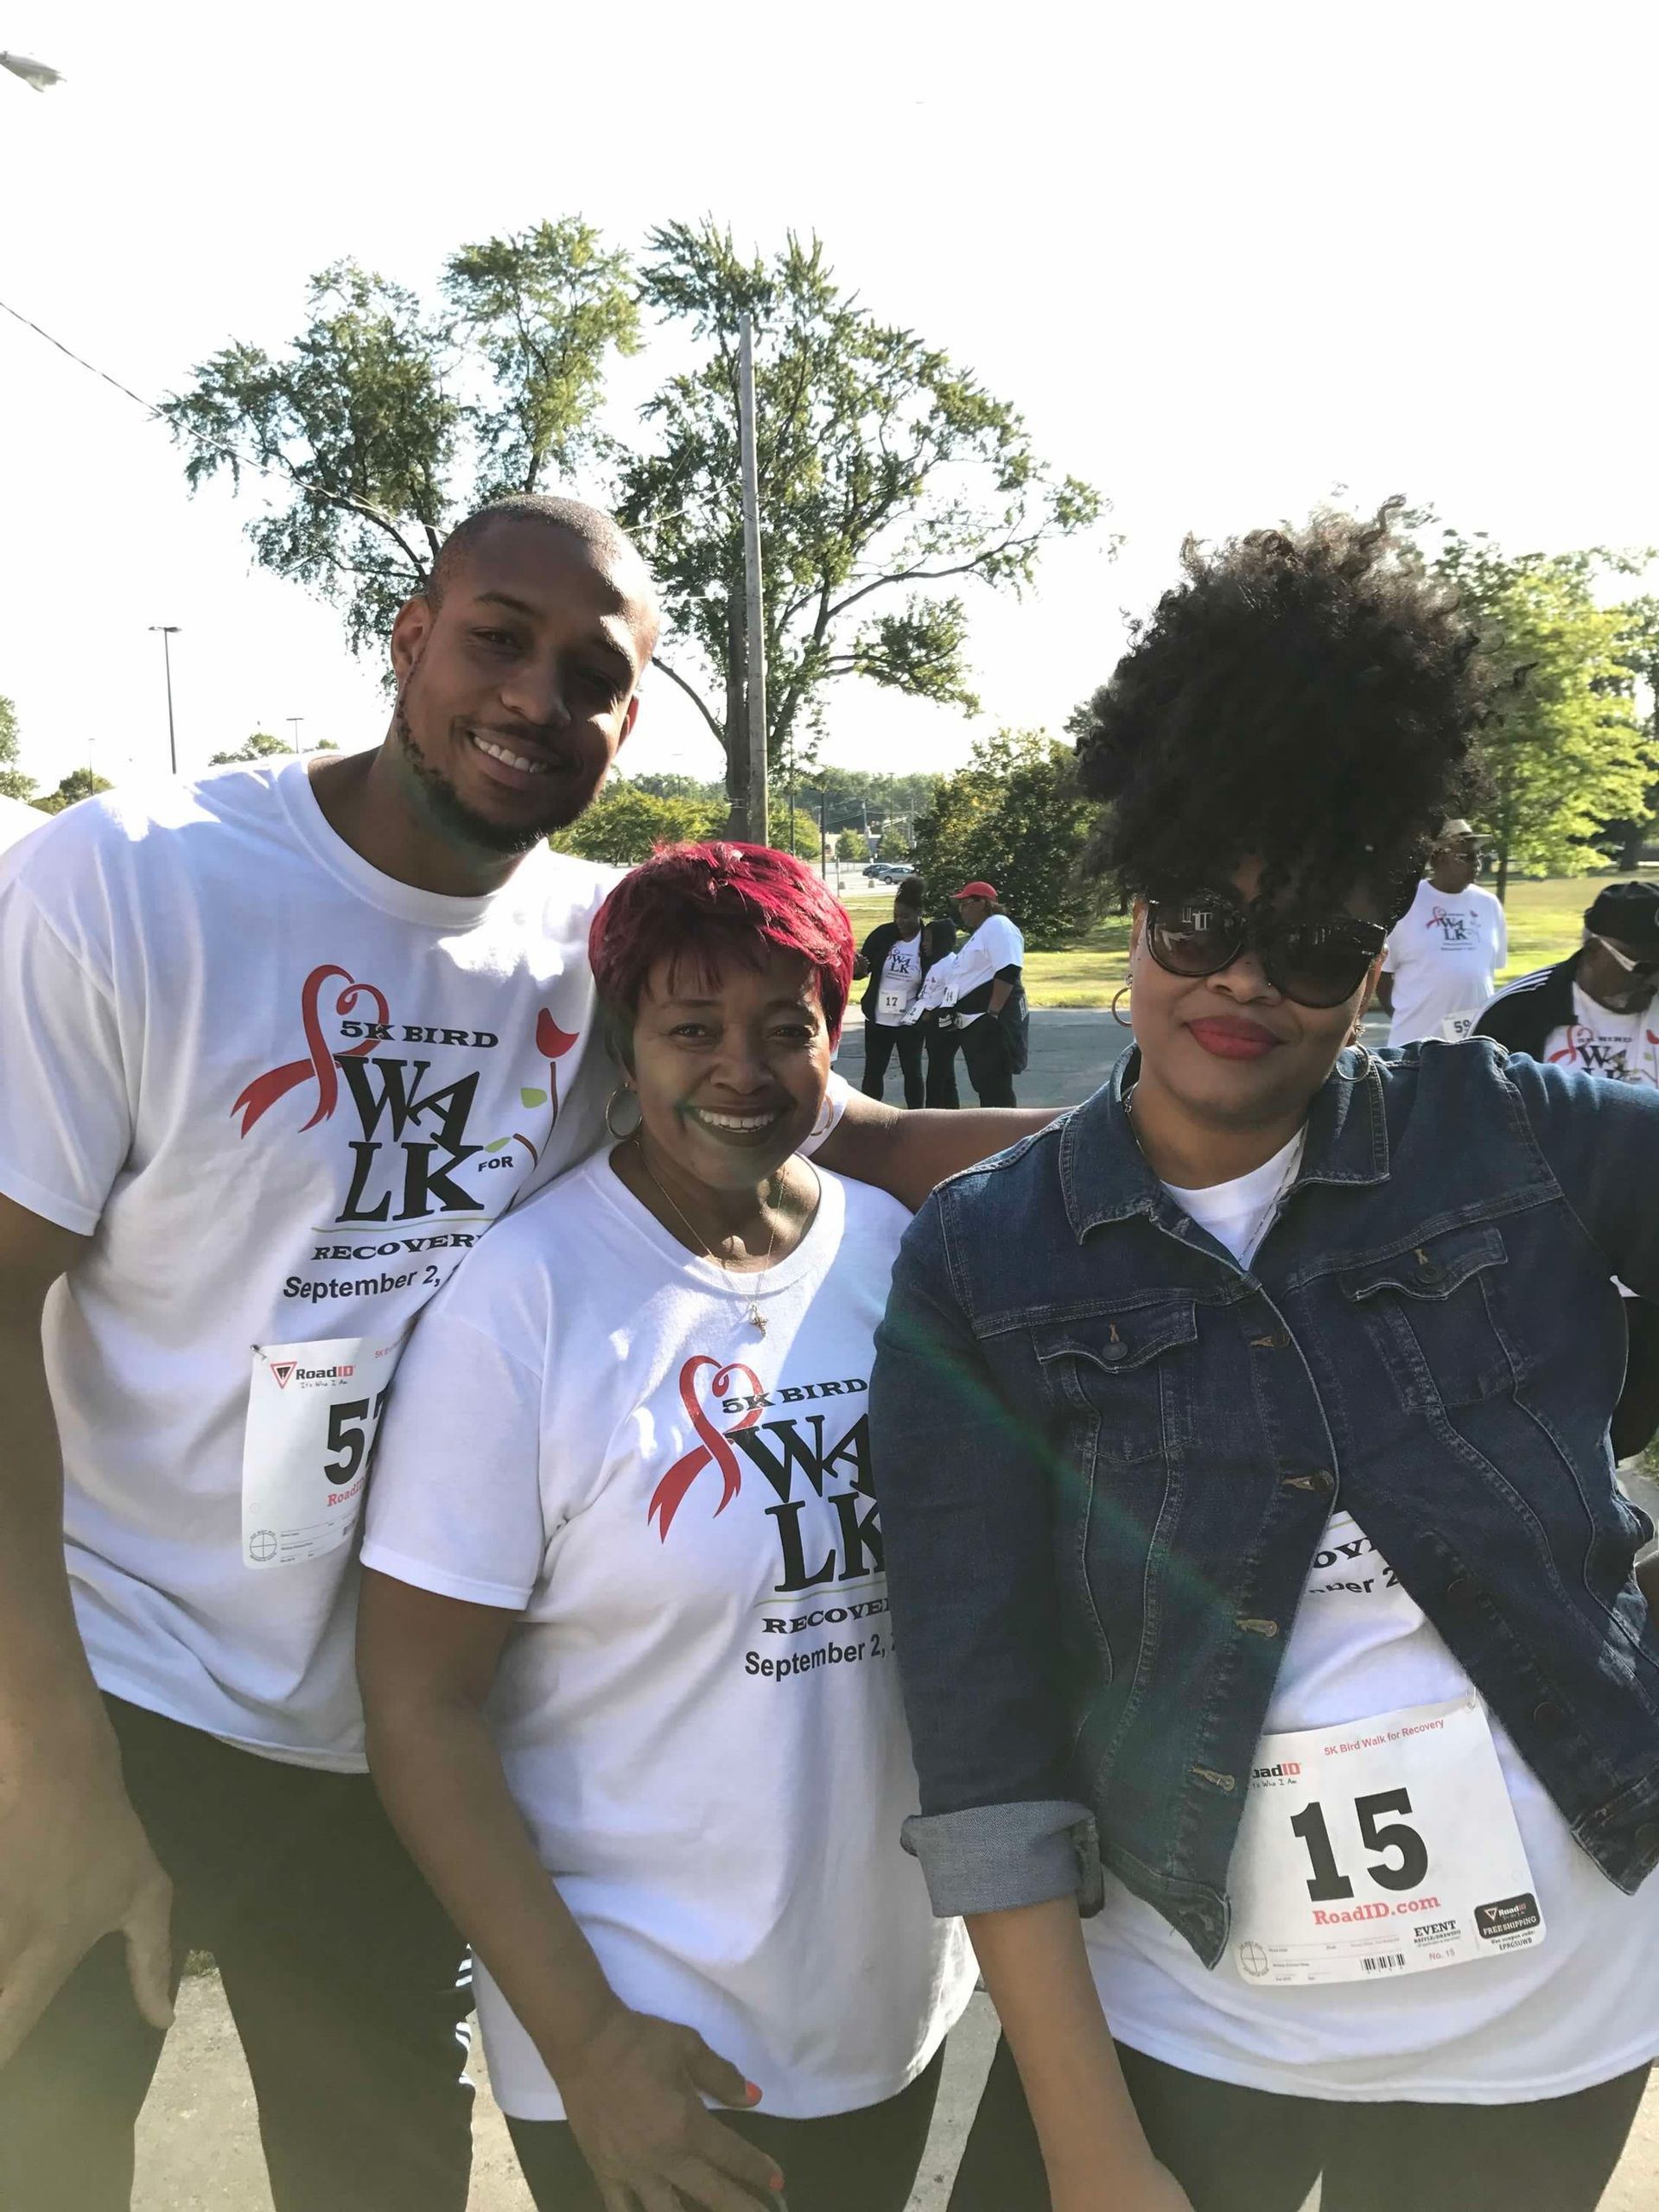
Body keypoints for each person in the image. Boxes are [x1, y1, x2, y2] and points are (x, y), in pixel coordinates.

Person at [0, 492, 1039, 2211]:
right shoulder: (131, 883)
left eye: (592, 672)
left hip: (381, 1724)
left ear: (628, 720)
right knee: (45, 2148)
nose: (535, 695)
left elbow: (840, 1134)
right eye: (499, 638)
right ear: (409, 633)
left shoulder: (591, 949)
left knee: (383, 2175)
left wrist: (1198, 1138)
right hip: (128, 1674)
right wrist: (41, 1740)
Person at [870, 509, 1659, 2212]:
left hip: (1549, 2021)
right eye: (1200, 920)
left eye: (1309, 942)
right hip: (1185, 2014)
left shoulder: (1511, 1133)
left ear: (1378, 958)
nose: (1244, 979)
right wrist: (1085, 2144)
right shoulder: (989, 1256)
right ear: (1135, 900)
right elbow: (982, 1728)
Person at [356, 842, 976, 2212]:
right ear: (622, 1047)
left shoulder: (897, 1253)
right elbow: (418, 1705)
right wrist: (589, 2050)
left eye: (783, 1030)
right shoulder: (524, 1303)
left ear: (836, 1036)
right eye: (692, 1030)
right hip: (647, 2034)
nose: (740, 1072)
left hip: (886, 2004)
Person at [1476, 880, 1659, 1458]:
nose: (1652, 980)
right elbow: (1473, 1131)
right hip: (1552, 1255)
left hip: (1648, 1255)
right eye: (1642, 965)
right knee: (1554, 1426)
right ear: (1594, 946)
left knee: (1633, 1426)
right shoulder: (1522, 1011)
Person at [1374, 819, 1506, 1044]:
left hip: (1473, 1046)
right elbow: (1381, 976)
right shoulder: (1406, 902)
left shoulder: (1488, 904)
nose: (1477, 863)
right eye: (1466, 857)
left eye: (1479, 856)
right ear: (1439, 858)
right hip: (1414, 1046)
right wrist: (1410, 1019)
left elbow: (1485, 973)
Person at [854, 877, 955, 1107]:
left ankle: (915, 1118)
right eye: (896, 916)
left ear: (919, 912)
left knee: (912, 1071)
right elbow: (862, 971)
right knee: (873, 1071)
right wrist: (857, 970)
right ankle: (869, 1116)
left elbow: (943, 970)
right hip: (878, 1017)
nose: (900, 921)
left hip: (910, 1020)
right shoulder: (883, 935)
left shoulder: (928, 939)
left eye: (906, 916)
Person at [948, 880, 1027, 1107]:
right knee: (985, 1086)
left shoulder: (999, 925)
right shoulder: (984, 931)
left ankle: (1004, 1138)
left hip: (990, 1021)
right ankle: (994, 1137)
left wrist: (992, 1013)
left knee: (996, 1089)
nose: (961, 909)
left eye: (965, 903)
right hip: (973, 1022)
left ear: (982, 903)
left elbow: (1009, 969)